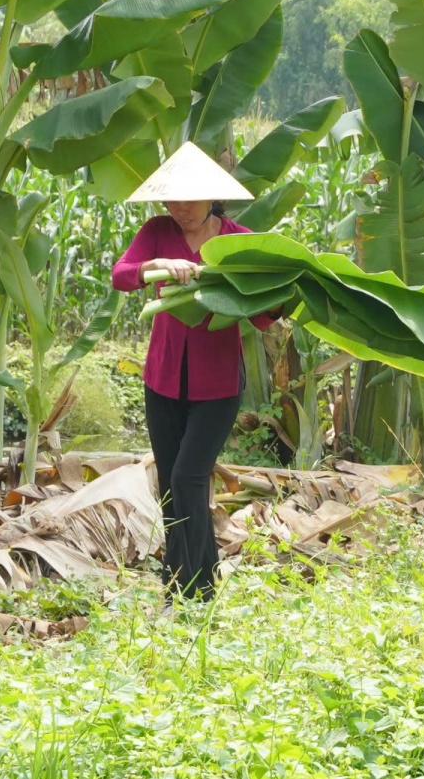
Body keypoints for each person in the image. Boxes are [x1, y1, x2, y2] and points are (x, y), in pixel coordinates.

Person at [111, 143, 279, 600]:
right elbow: (121, 274)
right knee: (172, 484)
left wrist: (285, 290)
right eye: (172, 200)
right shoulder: (157, 232)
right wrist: (157, 265)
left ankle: (187, 584)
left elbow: (264, 315)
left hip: (218, 384)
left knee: (189, 477)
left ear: (212, 198)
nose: (179, 209)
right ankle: (195, 583)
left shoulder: (237, 241)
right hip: (163, 378)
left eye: (189, 199)